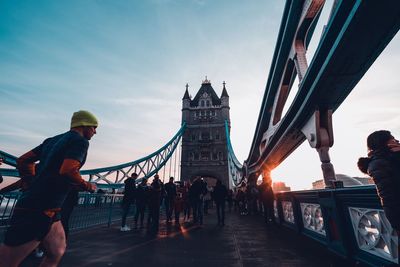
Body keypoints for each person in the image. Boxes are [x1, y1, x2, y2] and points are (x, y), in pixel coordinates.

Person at [0, 110, 98, 267]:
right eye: (94, 127)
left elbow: (24, 160)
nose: (95, 132)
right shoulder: (80, 142)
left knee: (57, 251)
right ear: (84, 125)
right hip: (38, 209)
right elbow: (68, 170)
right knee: (7, 262)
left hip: (52, 209)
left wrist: (30, 180)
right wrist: (88, 186)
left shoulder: (52, 140)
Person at [357, 130, 400, 234]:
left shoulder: (384, 160)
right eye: (393, 139)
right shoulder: (380, 163)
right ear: (384, 143)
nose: (397, 141)